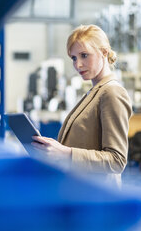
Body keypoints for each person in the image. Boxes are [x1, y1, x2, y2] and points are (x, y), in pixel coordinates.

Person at [31, 24, 132, 183]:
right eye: (74, 58)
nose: (78, 65)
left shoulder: (111, 92)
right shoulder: (94, 92)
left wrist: (66, 153)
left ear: (104, 53)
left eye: (84, 55)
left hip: (99, 198)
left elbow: (117, 160)